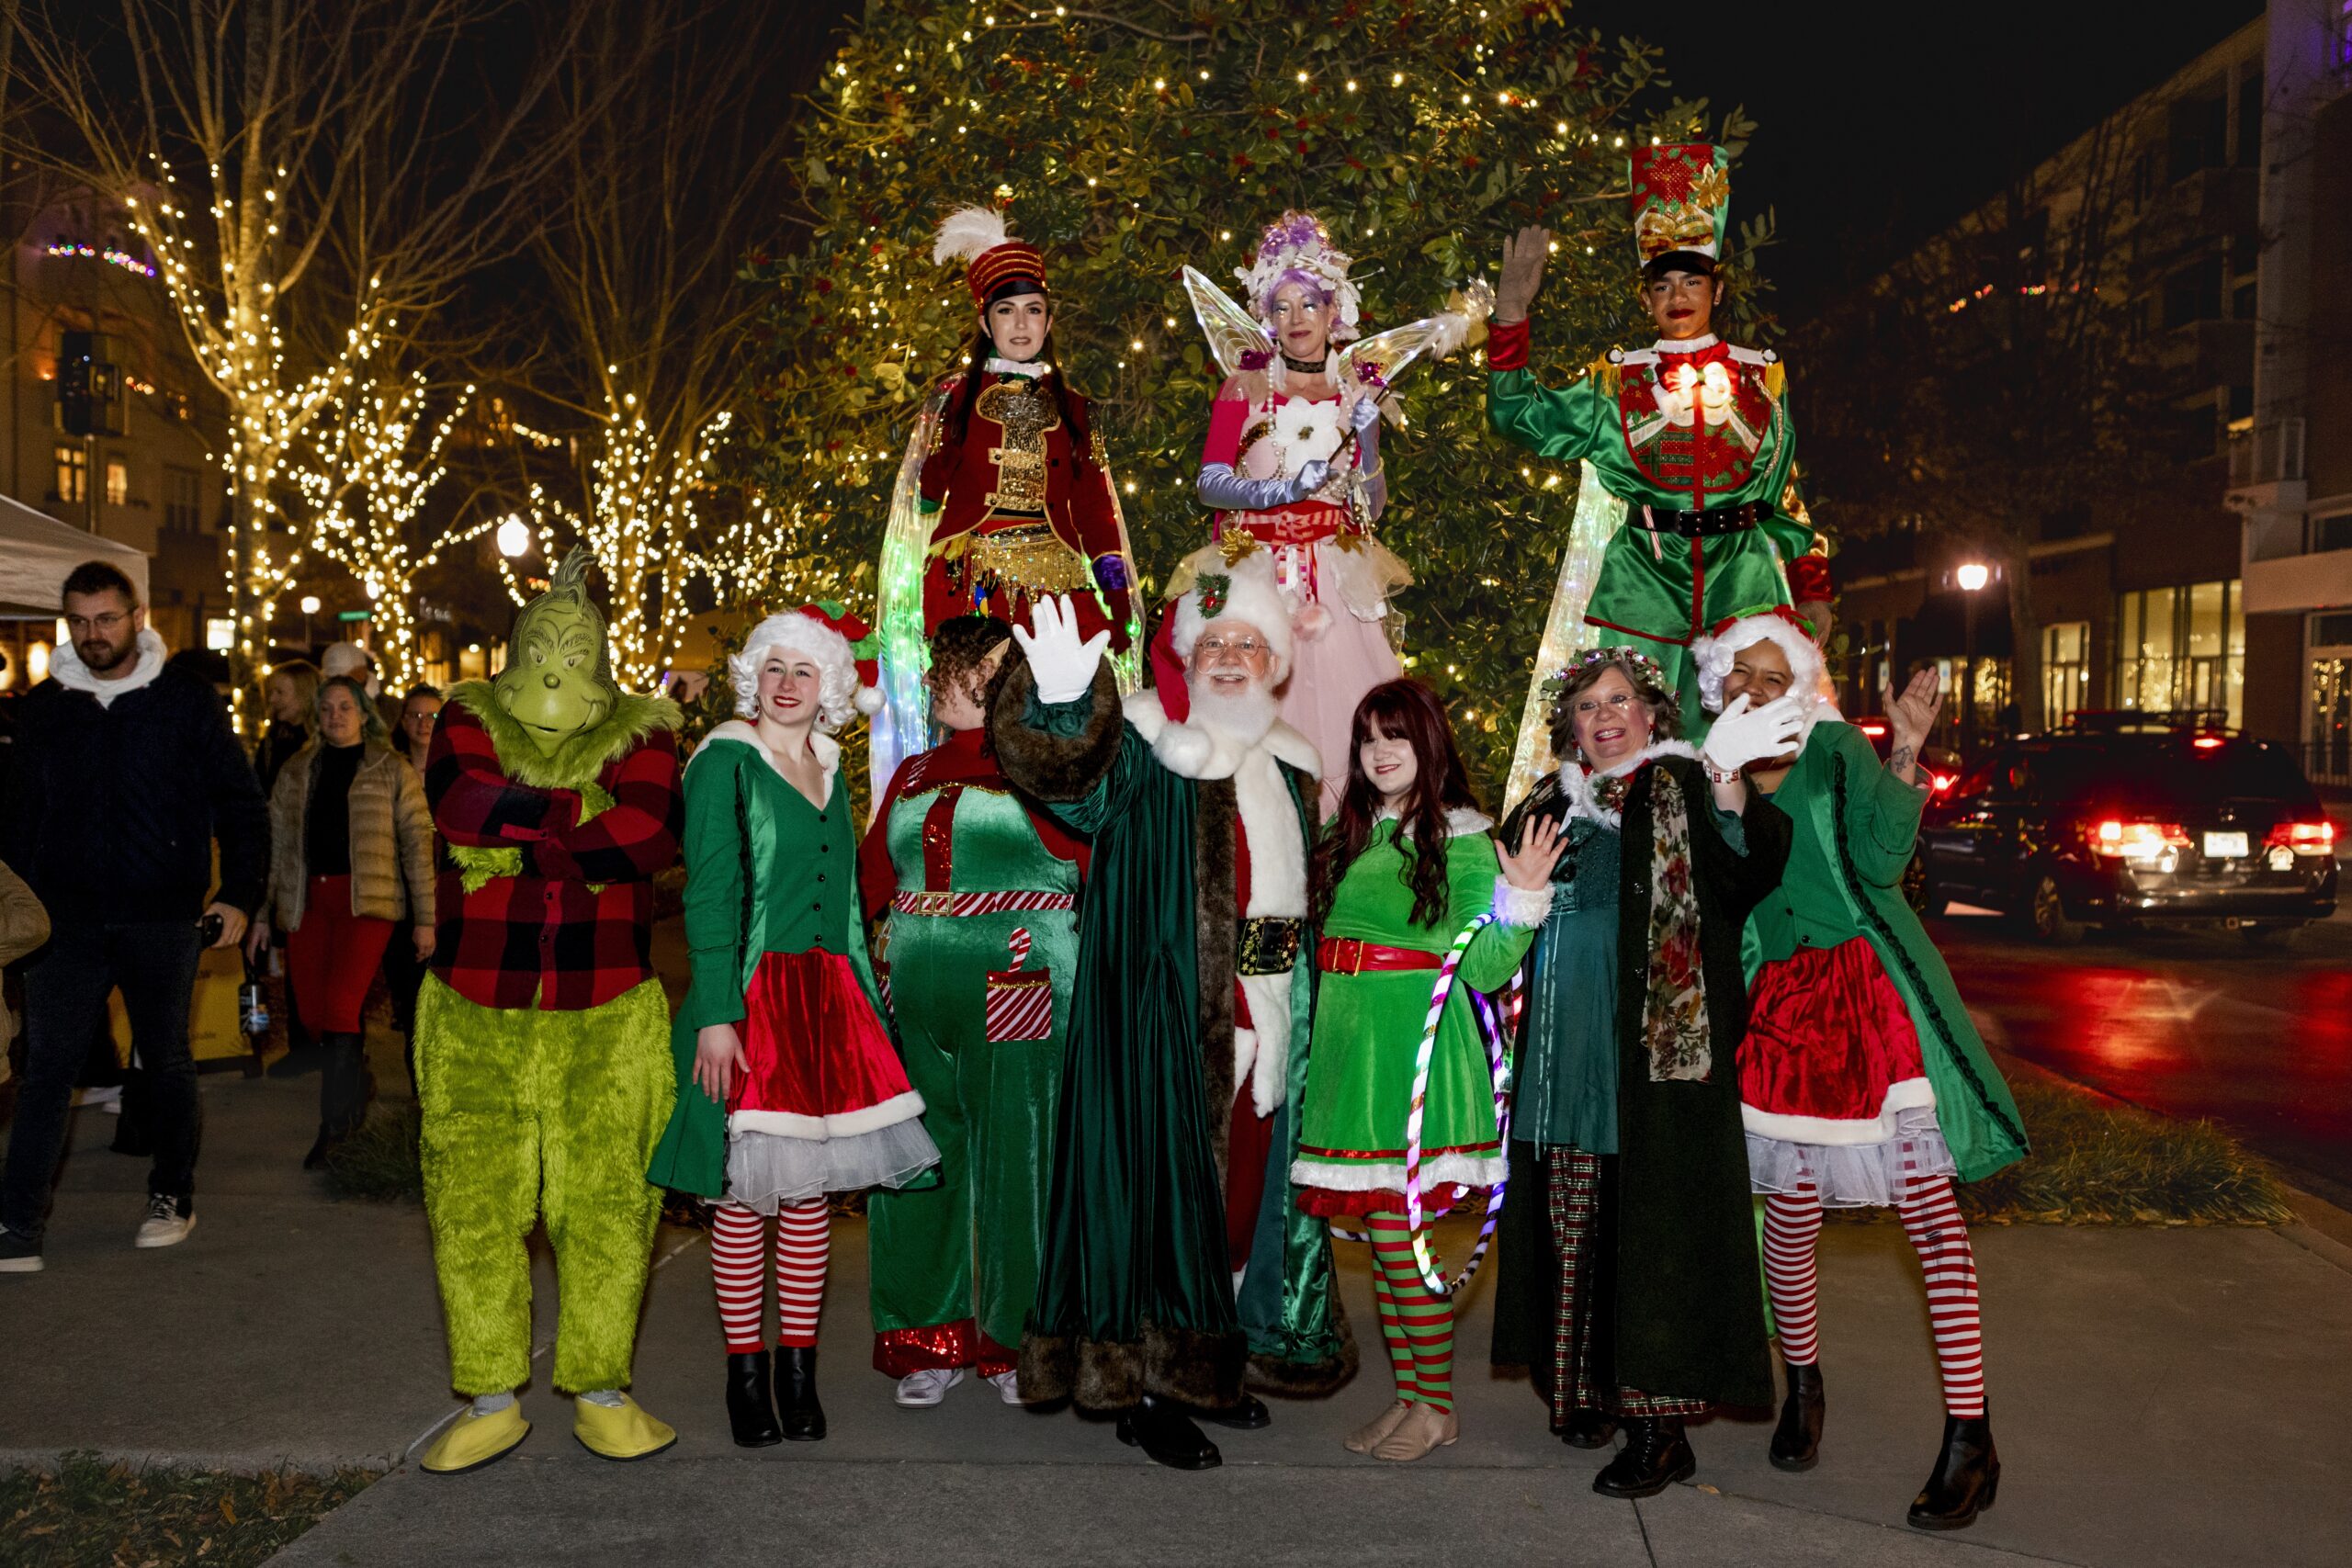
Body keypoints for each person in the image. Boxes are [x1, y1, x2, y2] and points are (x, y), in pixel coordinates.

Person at [988, 550, 1355, 1472]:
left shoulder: (1297, 766)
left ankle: (1209, 1362)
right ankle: (1147, 1388)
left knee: (1239, 1210)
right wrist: (1067, 704)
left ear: (1275, 663)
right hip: (1171, 1016)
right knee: (1161, 1205)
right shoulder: (1151, 751)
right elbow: (1076, 787)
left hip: (1272, 1012)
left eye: (1249, 643)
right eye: (1214, 642)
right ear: (1187, 658)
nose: (1230, 656)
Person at [1689, 608, 2029, 1531]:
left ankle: (1970, 1434)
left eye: (1772, 677)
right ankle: (1800, 1383)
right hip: (1782, 1008)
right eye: (1739, 676)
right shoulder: (1710, 764)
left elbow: (1880, 863)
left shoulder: (1835, 750)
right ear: (1717, 681)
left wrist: (1905, 756)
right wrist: (1718, 777)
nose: (1754, 691)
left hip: (1869, 998)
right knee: (1788, 1214)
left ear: (1798, 681)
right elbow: (1719, 890)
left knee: (1928, 1212)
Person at [1488, 645, 1800, 1496]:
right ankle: (1587, 1386)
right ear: (1572, 725)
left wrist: (1731, 779)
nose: (1605, 715)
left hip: (1656, 1062)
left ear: (1653, 713)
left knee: (1652, 1237)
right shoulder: (1548, 802)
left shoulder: (1684, 788)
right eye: (1588, 705)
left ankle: (1658, 1426)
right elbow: (1500, 925)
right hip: (1563, 1060)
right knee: (1573, 1226)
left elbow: (1747, 870)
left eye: (1620, 698)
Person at [411, 548, 684, 1472]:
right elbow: (458, 800)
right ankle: (492, 1397)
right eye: (544, 642)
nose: (558, 657)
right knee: (473, 1207)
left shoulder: (644, 731)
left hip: (605, 1012)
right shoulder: (466, 713)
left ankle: (601, 1389)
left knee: (609, 1205)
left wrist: (524, 840)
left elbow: (648, 831)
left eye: (578, 645)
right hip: (472, 1008)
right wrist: (581, 824)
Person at [650, 605, 938, 1449]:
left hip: (825, 1004)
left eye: (803, 672)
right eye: (773, 669)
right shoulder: (725, 763)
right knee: (743, 1201)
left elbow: (845, 903)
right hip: (749, 1003)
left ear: (828, 689)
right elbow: (709, 892)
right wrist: (713, 1013)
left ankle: (799, 1373)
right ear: (753, 677)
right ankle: (747, 1375)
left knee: (807, 1201)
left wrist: (865, 1012)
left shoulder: (824, 765)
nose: (785, 685)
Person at [1291, 680, 1559, 1461]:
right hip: (1352, 1056)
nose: (1380, 750)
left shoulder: (1466, 839)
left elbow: (1480, 967)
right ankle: (1410, 1396)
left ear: (1429, 743)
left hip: (1412, 1057)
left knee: (1405, 1249)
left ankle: (1437, 1408)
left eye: (1397, 735)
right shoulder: (1355, 833)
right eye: (1369, 735)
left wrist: (1525, 896)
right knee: (1383, 1248)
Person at [1487, 144, 1835, 734]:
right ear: (1644, 297)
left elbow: (1783, 492)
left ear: (1716, 291)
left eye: (1691, 281)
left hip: (1743, 582)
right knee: (1627, 744)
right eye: (1662, 285)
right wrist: (1511, 314)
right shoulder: (1615, 382)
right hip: (1642, 585)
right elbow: (1518, 414)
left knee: (1754, 744)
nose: (1677, 297)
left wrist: (1811, 582)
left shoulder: (1761, 377)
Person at [0, 560, 267, 1272]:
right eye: (80, 621)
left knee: (166, 1059)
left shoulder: (184, 701)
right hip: (66, 925)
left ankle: (172, 1194)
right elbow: (18, 823)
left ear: (138, 617)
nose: (93, 634)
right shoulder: (46, 709)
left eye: (106, 619)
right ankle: (19, 1222)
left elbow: (241, 804)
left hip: (162, 917)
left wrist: (239, 892)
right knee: (48, 1069)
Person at [1177, 214, 1488, 794]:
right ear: (1266, 316)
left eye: (1309, 304)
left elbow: (1372, 502)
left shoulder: (1358, 391)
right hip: (1259, 574)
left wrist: (1368, 440)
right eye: (1282, 307)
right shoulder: (1244, 388)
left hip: (1337, 575)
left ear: (1333, 310)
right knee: (1258, 723)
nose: (1296, 319)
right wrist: (1276, 492)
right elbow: (1210, 482)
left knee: (1356, 721)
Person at [859, 615, 1084, 1408]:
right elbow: (869, 883)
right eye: (941, 669)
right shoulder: (913, 772)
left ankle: (1016, 1341)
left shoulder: (1048, 767)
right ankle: (927, 1336)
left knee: (1018, 1163)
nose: (943, 683)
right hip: (914, 998)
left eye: (966, 669)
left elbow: (1101, 864)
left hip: (1020, 985)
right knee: (917, 1157)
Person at [870, 205, 1137, 798]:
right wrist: (943, 434)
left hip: (1057, 586)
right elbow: (929, 493)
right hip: (973, 583)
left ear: (1049, 319)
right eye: (1006, 311)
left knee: (1066, 724)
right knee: (977, 724)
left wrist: (1115, 593)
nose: (1021, 325)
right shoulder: (956, 399)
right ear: (986, 323)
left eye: (1034, 311)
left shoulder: (1075, 410)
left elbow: (1094, 510)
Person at [247, 674, 435, 1168]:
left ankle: (334, 1127)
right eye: (326, 708)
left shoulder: (390, 768)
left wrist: (426, 919)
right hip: (309, 902)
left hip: (367, 903)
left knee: (338, 1005)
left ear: (363, 713)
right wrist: (264, 914)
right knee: (312, 1015)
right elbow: (278, 845)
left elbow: (417, 846)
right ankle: (355, 1080)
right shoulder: (296, 769)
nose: (335, 716)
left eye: (344, 707)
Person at [383, 683, 445, 1073]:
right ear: (403, 722)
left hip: (448, 893)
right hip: (401, 895)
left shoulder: (457, 769)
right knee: (409, 993)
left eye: (433, 716)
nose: (424, 724)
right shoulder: (389, 770)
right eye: (416, 716)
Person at [255, 660, 319, 798]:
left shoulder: (323, 742)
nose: (272, 699)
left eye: (280, 692)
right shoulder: (271, 742)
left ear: (304, 694)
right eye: (271, 692)